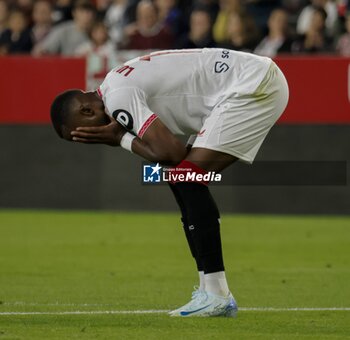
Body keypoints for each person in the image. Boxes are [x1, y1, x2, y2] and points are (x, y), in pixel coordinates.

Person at [50, 48, 289, 317]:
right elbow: (171, 159)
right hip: (249, 78)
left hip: (252, 84)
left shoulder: (117, 97)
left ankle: (216, 295)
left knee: (186, 177)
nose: (92, 137)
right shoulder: (114, 85)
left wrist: (121, 139)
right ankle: (210, 290)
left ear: (85, 108)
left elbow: (171, 153)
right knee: (181, 178)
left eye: (85, 132)